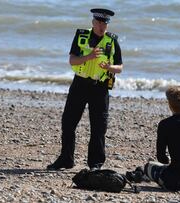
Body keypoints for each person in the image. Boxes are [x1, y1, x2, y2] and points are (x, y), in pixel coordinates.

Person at [47, 8, 123, 171]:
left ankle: (95, 164)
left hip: (100, 87)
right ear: (93, 22)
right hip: (80, 84)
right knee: (68, 122)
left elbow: (120, 67)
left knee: (99, 127)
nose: (102, 26)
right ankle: (66, 159)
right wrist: (88, 57)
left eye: (105, 23)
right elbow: (72, 61)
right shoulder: (81, 36)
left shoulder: (112, 41)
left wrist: (109, 67)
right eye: (99, 23)